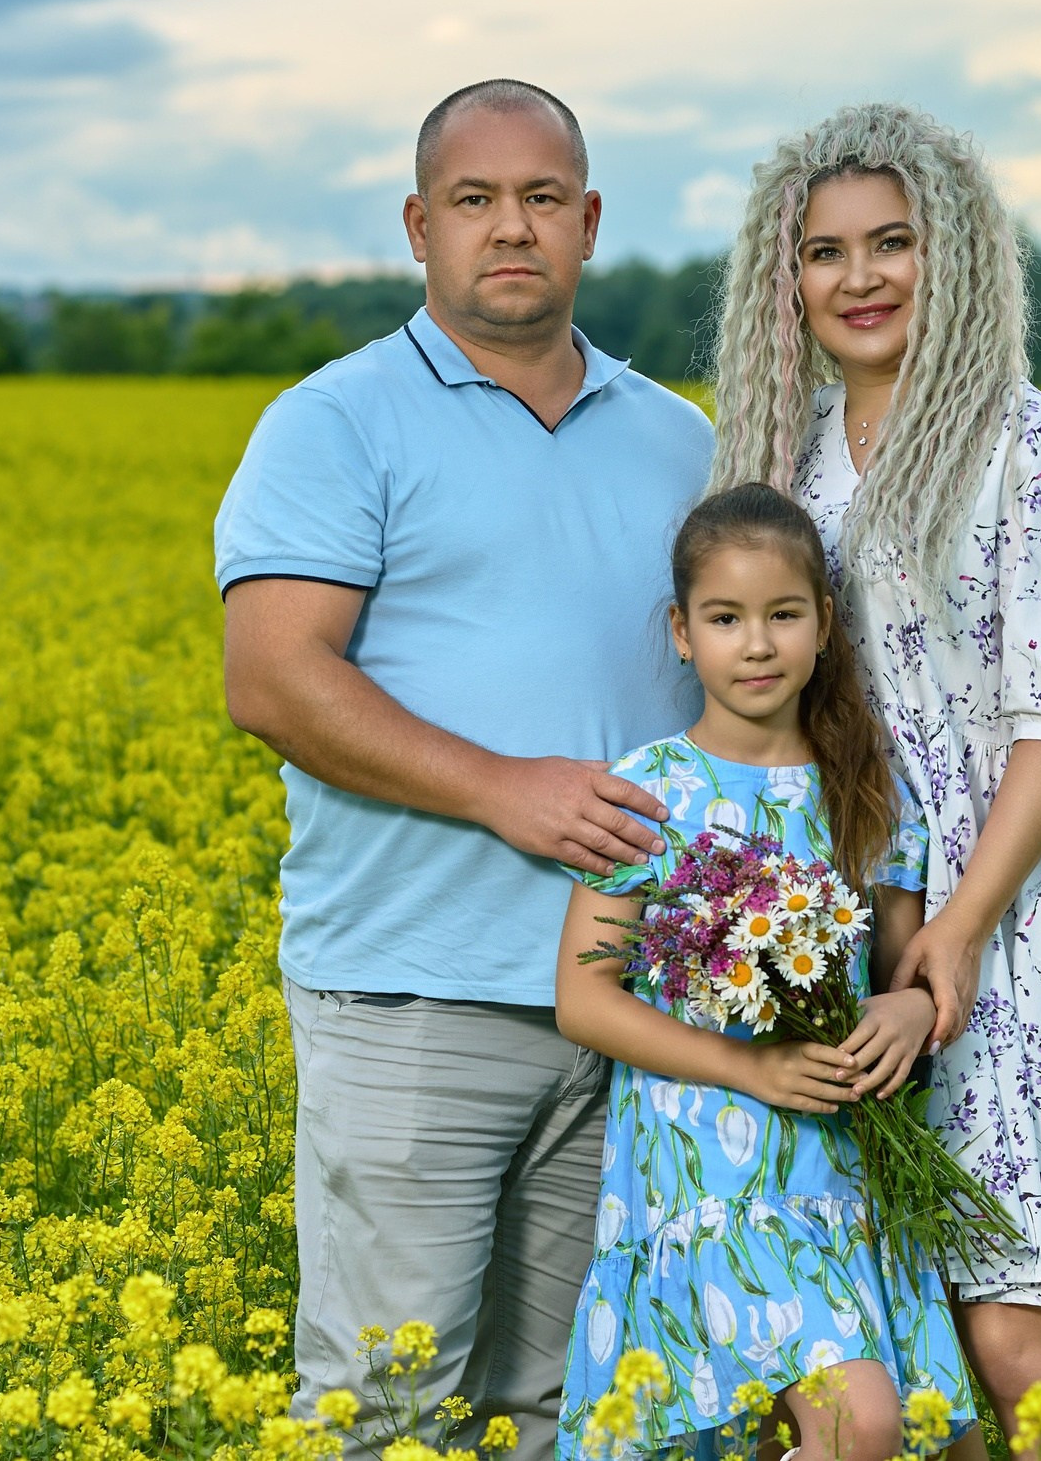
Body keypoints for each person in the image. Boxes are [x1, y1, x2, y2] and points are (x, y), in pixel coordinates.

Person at [215, 79, 715, 1459]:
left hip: (628, 1004)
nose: (513, 228)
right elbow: (274, 677)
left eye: (544, 198)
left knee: (564, 1410)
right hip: (415, 991)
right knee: (384, 1407)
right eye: (478, 201)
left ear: (591, 222)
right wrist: (507, 786)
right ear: (419, 225)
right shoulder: (335, 420)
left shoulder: (681, 440)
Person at [705, 104, 1041, 1461]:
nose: (859, 277)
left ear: (957, 255)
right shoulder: (778, 465)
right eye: (824, 251)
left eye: (893, 242)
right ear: (784, 280)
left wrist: (953, 939)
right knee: (856, 1341)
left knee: (1013, 1326)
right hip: (813, 936)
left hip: (994, 922)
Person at [552, 485, 977, 1461]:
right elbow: (582, 998)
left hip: (840, 1170)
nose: (756, 644)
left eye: (782, 615)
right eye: (725, 618)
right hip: (706, 1170)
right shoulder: (648, 792)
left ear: (823, 626)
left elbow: (899, 974)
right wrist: (751, 1069)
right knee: (859, 1423)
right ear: (680, 632)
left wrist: (911, 1016)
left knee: (915, 1439)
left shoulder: (867, 789)